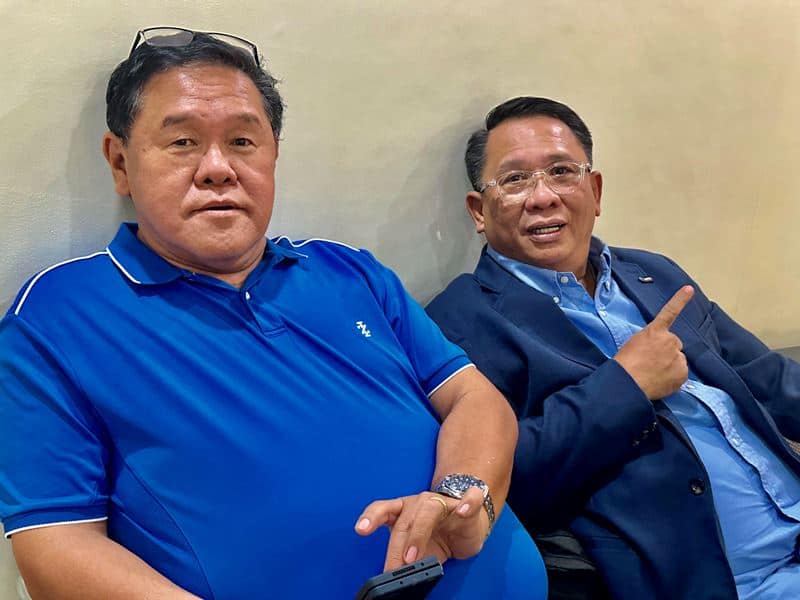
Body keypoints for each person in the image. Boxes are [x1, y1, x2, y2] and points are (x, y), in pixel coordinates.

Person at [0, 30, 547, 599]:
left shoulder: (349, 272)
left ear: (273, 155)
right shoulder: (58, 318)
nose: (218, 168)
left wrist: (463, 498)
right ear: (120, 163)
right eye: (183, 142)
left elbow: (474, 398)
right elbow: (55, 547)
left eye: (243, 141)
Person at [426, 96, 800, 600]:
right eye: (515, 180)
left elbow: (764, 376)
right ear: (478, 210)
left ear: (595, 191)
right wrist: (626, 385)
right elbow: (508, 476)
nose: (543, 197)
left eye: (562, 171)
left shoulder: (653, 273)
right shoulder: (461, 320)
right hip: (727, 579)